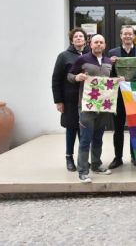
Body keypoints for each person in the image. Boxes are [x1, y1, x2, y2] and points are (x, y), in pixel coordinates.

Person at [68, 34, 119, 183]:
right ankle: (83, 171)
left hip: (103, 106)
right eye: (96, 42)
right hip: (86, 106)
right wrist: (76, 77)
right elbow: (69, 75)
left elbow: (111, 81)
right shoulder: (82, 59)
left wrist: (118, 80)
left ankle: (96, 165)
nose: (98, 44)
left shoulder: (109, 62)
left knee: (98, 138)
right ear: (91, 44)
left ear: (104, 45)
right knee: (85, 139)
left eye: (101, 42)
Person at [107, 25, 136, 170]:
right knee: (118, 128)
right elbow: (108, 74)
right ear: (121, 36)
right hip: (118, 96)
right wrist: (109, 63)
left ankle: (135, 156)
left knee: (135, 128)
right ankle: (118, 158)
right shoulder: (113, 53)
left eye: (130, 34)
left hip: (135, 95)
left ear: (134, 36)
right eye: (125, 34)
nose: (127, 36)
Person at [51, 28, 89, 171]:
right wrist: (58, 101)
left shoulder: (89, 55)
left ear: (85, 40)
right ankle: (69, 158)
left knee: (84, 129)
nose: (79, 38)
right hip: (70, 100)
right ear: (72, 40)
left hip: (86, 99)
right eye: (76, 36)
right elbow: (56, 79)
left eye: (81, 36)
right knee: (71, 129)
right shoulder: (63, 56)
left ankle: (82, 159)